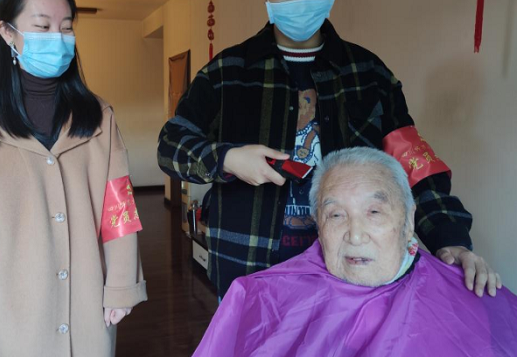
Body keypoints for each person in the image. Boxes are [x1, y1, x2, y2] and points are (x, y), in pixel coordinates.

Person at [157, 0, 498, 300]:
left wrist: (451, 238)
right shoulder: (227, 73)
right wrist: (227, 158)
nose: (302, 1)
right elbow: (171, 145)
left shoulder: (369, 74)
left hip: (351, 275)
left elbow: (414, 167)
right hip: (249, 272)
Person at [0, 0, 147, 357]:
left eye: (66, 28)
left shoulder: (98, 116)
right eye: (43, 27)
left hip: (88, 301)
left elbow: (120, 207)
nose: (57, 39)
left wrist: (121, 282)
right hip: (11, 309)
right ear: (8, 33)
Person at [193, 147, 517, 357]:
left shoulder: (478, 297)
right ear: (318, 224)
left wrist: (452, 239)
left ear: (408, 221)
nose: (356, 235)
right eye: (336, 215)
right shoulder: (257, 298)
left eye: (374, 212)